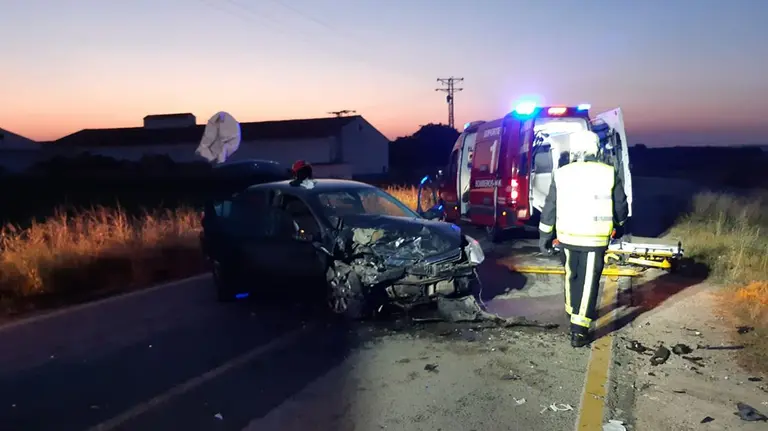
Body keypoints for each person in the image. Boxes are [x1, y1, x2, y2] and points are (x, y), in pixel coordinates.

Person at [537, 130, 629, 348]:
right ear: (596, 147)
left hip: (567, 235)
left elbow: (550, 207)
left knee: (572, 274)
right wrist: (620, 226)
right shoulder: (608, 172)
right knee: (588, 280)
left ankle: (573, 311)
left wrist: (545, 236)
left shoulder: (562, 173)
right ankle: (579, 331)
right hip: (594, 237)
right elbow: (621, 206)